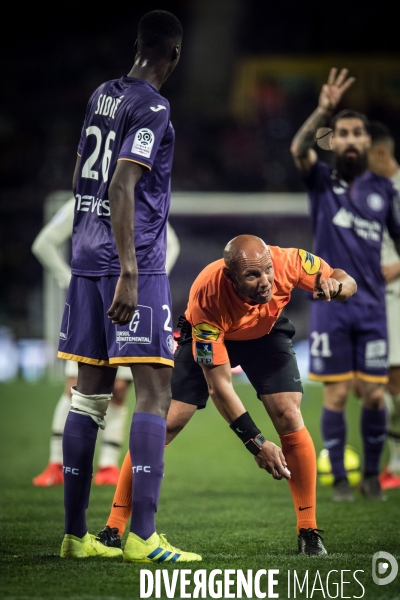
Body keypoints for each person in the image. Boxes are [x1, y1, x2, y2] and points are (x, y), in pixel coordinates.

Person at [96, 234, 357, 556]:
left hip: (265, 332)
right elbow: (219, 386)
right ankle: (113, 527)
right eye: (252, 275)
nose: (265, 282)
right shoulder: (208, 296)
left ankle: (309, 531)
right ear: (230, 276)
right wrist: (256, 443)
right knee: (165, 425)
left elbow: (345, 279)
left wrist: (337, 288)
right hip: (211, 333)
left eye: (267, 271)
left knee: (289, 414)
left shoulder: (289, 261)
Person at [57, 10, 201, 562]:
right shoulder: (155, 106)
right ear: (175, 55)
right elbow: (122, 183)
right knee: (154, 392)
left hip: (85, 259)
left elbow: (81, 178)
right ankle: (142, 537)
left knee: (88, 397)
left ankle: (76, 536)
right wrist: (132, 272)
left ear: (138, 46)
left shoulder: (102, 95)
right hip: (129, 261)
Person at [290, 68, 400, 502]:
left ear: (367, 143)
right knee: (335, 394)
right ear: (333, 141)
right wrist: (323, 110)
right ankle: (338, 481)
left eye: (358, 134)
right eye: (344, 133)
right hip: (331, 306)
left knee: (374, 395)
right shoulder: (322, 182)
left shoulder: (383, 190)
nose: (352, 140)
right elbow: (299, 148)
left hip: (373, 308)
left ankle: (372, 477)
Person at [31, 196, 180, 486]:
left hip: (130, 303)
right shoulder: (84, 202)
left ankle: (108, 466)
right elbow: (44, 243)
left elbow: (170, 243)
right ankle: (56, 463)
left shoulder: (141, 202)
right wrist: (68, 279)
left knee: (121, 389)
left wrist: (149, 283)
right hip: (92, 300)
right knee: (77, 387)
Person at [367, 121, 400, 490]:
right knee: (374, 384)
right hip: (377, 300)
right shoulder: (374, 190)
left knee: (392, 381)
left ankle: (396, 465)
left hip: (396, 296)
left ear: (381, 153)